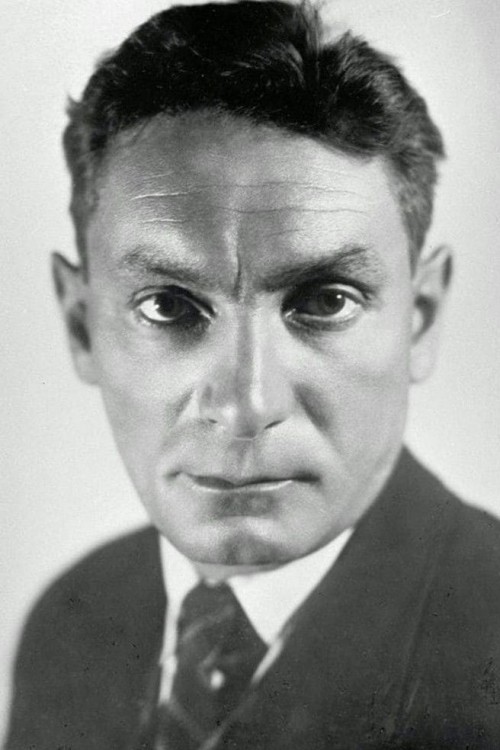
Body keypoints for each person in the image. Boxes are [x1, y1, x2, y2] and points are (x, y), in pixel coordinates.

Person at [5, 1, 500, 748]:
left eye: (325, 301)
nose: (246, 404)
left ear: (420, 318)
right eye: (168, 306)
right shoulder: (75, 623)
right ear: (81, 325)